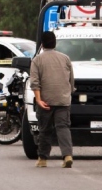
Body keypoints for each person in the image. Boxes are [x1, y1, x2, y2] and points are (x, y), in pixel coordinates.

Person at [30, 31, 74, 168]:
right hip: (63, 99)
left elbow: (35, 82)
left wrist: (38, 99)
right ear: (55, 43)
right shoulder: (65, 58)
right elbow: (71, 80)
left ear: (42, 44)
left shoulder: (37, 60)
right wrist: (68, 94)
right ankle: (67, 155)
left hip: (45, 100)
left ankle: (42, 159)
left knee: (45, 129)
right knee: (63, 127)